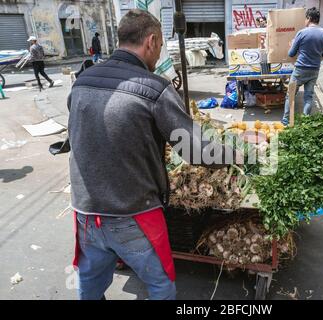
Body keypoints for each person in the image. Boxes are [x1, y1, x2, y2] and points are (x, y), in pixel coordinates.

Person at [68, 9, 236, 300]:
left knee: (90, 287)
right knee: (160, 286)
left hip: (85, 214)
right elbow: (196, 150)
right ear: (151, 41)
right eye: (159, 48)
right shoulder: (153, 88)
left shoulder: (82, 81)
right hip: (133, 214)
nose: (158, 56)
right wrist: (236, 155)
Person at [281, 7, 323, 125]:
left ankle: (286, 121)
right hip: (314, 70)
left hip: (300, 69)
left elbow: (291, 53)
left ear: (309, 18)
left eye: (305, 18)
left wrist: (292, 44)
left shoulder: (302, 33)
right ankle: (305, 122)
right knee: (308, 97)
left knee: (291, 95)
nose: (304, 21)